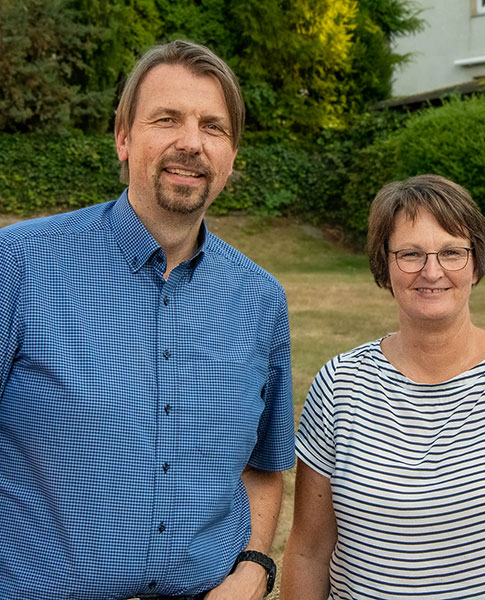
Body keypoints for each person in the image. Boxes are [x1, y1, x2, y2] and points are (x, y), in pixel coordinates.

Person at [0, 41, 295, 600]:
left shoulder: (260, 300)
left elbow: (263, 465)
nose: (191, 142)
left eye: (213, 126)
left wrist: (255, 569)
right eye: (167, 119)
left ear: (232, 155)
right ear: (123, 136)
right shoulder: (16, 265)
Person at [281, 174, 485, 599]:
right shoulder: (339, 384)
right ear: (384, 264)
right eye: (410, 254)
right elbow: (308, 553)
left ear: (475, 262)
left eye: (451, 252)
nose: (432, 271)